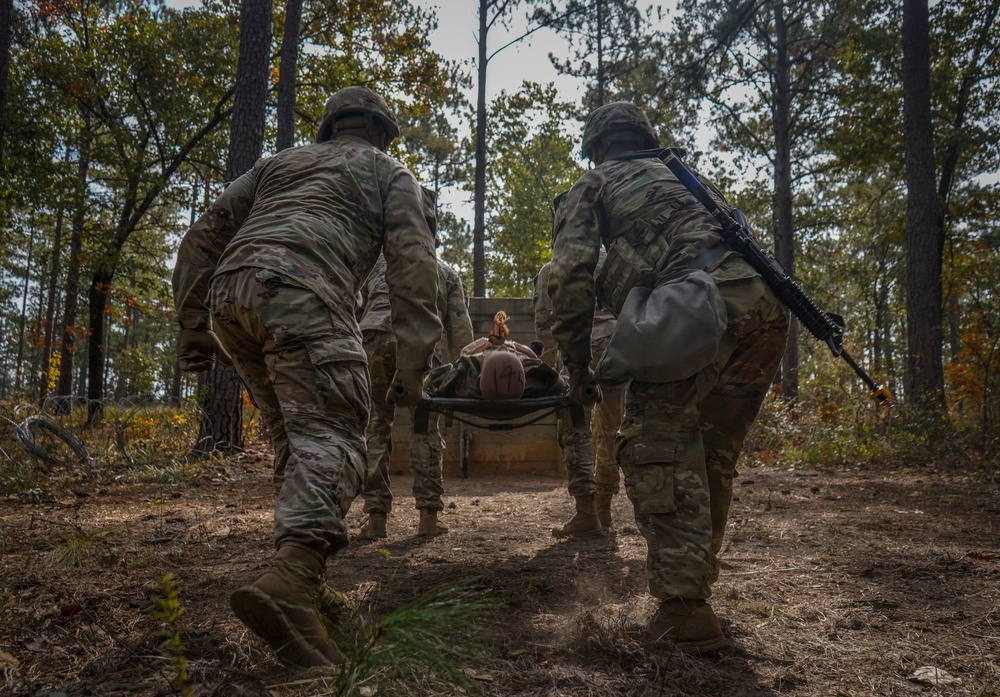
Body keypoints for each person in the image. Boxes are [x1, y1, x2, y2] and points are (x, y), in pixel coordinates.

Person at [171, 86, 441, 669]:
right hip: (303, 292)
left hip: (230, 294)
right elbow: (414, 265)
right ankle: (292, 578)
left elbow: (204, 233)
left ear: (329, 128)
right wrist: (417, 361)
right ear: (381, 132)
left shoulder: (278, 163)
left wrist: (192, 320)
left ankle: (306, 591)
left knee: (293, 440)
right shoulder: (389, 171)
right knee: (336, 436)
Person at [546, 101, 788, 654]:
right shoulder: (688, 178)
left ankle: (684, 611)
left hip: (703, 304)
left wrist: (578, 365)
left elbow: (569, 274)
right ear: (647, 139)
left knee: (654, 443)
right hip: (766, 305)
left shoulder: (595, 181)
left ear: (599, 147)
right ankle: (695, 589)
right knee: (711, 454)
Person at [355, 227, 474, 539]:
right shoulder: (445, 272)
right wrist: (464, 374)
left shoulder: (378, 267)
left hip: (374, 342)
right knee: (424, 429)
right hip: (419, 350)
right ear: (433, 239)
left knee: (376, 429)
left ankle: (377, 518)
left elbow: (354, 311)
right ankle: (429, 517)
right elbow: (461, 334)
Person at [533, 250, 625, 538]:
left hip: (578, 351)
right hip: (618, 347)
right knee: (611, 428)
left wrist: (546, 370)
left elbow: (544, 323)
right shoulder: (615, 262)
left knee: (575, 428)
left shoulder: (554, 266)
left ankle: (586, 512)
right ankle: (604, 508)